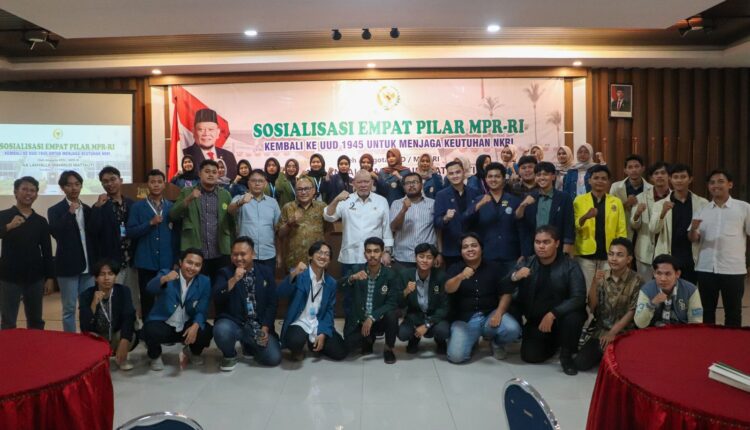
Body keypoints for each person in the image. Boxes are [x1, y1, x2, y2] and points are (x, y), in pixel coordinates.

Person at [506, 226, 587, 375]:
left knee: (574, 317)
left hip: (562, 318)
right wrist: (515, 276)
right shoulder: (528, 262)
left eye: (546, 242)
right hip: (538, 321)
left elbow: (579, 298)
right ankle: (555, 342)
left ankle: (566, 356)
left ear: (556, 243)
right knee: (530, 356)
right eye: (537, 242)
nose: (541, 246)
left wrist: (553, 313)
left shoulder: (570, 265)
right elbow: (503, 285)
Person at [445, 233, 521, 364]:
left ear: (481, 248)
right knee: (456, 357)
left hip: (489, 315)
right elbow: (448, 288)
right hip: (464, 320)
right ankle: (472, 339)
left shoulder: (494, 267)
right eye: (465, 247)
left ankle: (497, 343)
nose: (470, 249)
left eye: (474, 245)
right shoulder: (455, 268)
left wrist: (499, 313)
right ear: (461, 251)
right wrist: (460, 276)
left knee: (513, 329)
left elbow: (506, 293)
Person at [689, 169, 750, 327]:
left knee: (733, 312)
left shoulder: (744, 208)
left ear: (730, 184)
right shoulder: (702, 209)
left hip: (733, 269)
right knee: (706, 311)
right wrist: (693, 229)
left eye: (721, 181)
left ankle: (731, 341)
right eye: (712, 182)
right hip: (706, 268)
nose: (716, 185)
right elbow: (693, 239)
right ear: (708, 186)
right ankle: (708, 341)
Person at [573, 238, 642, 371]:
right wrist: (594, 282)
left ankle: (611, 352)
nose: (614, 258)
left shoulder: (637, 280)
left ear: (629, 259)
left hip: (624, 332)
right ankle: (605, 352)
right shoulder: (602, 276)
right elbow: (592, 306)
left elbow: (632, 311)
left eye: (619, 255)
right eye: (611, 254)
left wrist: (613, 333)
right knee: (580, 363)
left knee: (623, 368)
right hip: (601, 331)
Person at [213, 237, 281, 370]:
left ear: (253, 254)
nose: (238, 258)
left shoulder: (265, 272)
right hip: (234, 322)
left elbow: (272, 303)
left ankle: (248, 344)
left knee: (273, 358)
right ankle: (229, 355)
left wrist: (265, 328)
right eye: (235, 254)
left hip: (257, 324)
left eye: (243, 254)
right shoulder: (225, 273)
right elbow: (217, 296)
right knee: (222, 330)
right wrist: (234, 279)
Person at [143, 248, 213, 371]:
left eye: (197, 265)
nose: (192, 267)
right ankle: (155, 356)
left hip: (186, 325)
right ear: (181, 262)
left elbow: (202, 308)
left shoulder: (204, 281)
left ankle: (194, 352)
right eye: (189, 262)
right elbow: (149, 288)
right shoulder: (167, 273)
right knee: (149, 329)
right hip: (164, 323)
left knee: (205, 330)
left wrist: (195, 325)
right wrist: (164, 279)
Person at [277, 241, 347, 361]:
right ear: (310, 256)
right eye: (319, 252)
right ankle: (299, 347)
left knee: (340, 352)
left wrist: (323, 333)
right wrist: (293, 274)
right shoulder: (299, 274)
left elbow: (329, 311)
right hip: (300, 321)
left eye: (327, 254)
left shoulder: (331, 283)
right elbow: (280, 293)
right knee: (294, 341)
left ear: (329, 260)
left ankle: (312, 342)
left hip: (318, 322)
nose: (323, 256)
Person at [0, 177, 54, 330]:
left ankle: (35, 345)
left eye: (32, 190)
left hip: (35, 278)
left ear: (36, 195)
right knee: (8, 322)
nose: (28, 193)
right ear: (15, 192)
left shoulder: (41, 221)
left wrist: (50, 277)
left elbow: (47, 251)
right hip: (9, 277)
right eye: (24, 189)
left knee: (36, 322)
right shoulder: (3, 215)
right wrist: (9, 226)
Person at [170, 159, 234, 283]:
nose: (211, 175)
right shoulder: (187, 192)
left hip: (221, 252)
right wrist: (189, 198)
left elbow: (232, 224)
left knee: (221, 288)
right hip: (195, 252)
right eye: (207, 171)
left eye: (214, 172)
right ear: (200, 173)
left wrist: (232, 248)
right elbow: (173, 215)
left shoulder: (225, 194)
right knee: (196, 289)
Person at [339, 237, 401, 364]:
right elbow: (339, 286)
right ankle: (368, 339)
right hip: (359, 319)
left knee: (392, 314)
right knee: (350, 346)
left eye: (376, 251)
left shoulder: (390, 274)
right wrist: (352, 278)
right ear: (364, 254)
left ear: (382, 253)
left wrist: (372, 317)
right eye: (369, 251)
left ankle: (388, 348)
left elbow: (392, 303)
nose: (372, 255)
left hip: (379, 319)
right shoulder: (356, 269)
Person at [48, 170, 95, 332]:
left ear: (81, 186)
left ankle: (87, 337)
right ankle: (70, 340)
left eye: (77, 184)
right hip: (67, 267)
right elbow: (56, 233)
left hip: (88, 266)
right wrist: (69, 214)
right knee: (69, 308)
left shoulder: (87, 209)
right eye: (69, 185)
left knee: (87, 306)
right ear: (62, 188)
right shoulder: (55, 210)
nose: (74, 188)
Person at [324, 169, 393, 278]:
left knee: (373, 289)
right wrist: (336, 199)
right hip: (350, 257)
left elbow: (386, 229)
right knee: (349, 288)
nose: (363, 185)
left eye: (366, 181)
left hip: (374, 257)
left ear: (372, 183)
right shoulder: (345, 200)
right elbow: (329, 217)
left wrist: (387, 252)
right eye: (360, 182)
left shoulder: (381, 201)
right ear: (354, 183)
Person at [127, 169, 176, 319]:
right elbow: (130, 232)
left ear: (164, 184)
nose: (156, 185)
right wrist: (149, 223)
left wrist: (176, 259)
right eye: (152, 182)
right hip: (145, 261)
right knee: (147, 298)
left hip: (166, 261)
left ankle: (165, 328)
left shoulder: (171, 207)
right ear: (147, 185)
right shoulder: (137, 207)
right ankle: (148, 328)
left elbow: (176, 236)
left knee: (167, 298)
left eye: (159, 182)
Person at [90, 166, 138, 316]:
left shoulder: (131, 204)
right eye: (105, 181)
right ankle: (111, 327)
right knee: (112, 300)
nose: (109, 184)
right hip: (111, 262)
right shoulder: (100, 206)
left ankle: (132, 327)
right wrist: (97, 207)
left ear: (120, 180)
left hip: (131, 260)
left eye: (113, 179)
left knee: (132, 299)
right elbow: (93, 231)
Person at [650, 164, 708, 284]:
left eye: (683, 177)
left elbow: (705, 232)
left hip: (692, 257)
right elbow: (653, 229)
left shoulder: (702, 203)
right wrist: (663, 213)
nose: (679, 180)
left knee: (690, 291)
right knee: (666, 292)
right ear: (670, 179)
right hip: (669, 257)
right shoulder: (660, 204)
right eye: (675, 177)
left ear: (690, 179)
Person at [573, 165, 627, 291]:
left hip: (610, 254)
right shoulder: (579, 200)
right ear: (589, 180)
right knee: (585, 290)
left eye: (603, 178)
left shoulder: (616, 202)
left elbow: (621, 229)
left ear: (608, 182)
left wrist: (621, 252)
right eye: (596, 178)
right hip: (585, 254)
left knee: (609, 290)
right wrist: (585, 217)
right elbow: (575, 225)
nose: (600, 181)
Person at [463, 162, 522, 277]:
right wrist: (478, 205)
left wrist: (523, 253)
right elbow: (464, 221)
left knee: (511, 286)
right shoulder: (478, 200)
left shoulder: (514, 201)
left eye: (497, 176)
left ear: (503, 179)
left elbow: (521, 229)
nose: (493, 179)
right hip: (487, 255)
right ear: (485, 179)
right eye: (490, 176)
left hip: (511, 255)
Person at [79, 259, 137, 371]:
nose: (106, 278)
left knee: (129, 333)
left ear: (115, 276)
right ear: (96, 278)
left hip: (115, 335)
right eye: (102, 274)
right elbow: (84, 326)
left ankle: (122, 357)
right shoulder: (86, 295)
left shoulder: (123, 291)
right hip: (98, 337)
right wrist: (93, 305)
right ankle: (99, 359)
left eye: (110, 274)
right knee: (88, 339)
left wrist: (125, 340)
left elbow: (129, 317)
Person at [398, 243, 450, 354]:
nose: (425, 260)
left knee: (443, 331)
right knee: (402, 334)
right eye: (421, 256)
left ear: (434, 260)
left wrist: (427, 325)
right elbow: (399, 304)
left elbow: (444, 307)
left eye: (429, 257)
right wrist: (405, 292)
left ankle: (440, 341)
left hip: (434, 317)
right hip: (415, 316)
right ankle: (414, 339)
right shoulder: (405, 275)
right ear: (415, 258)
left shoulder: (441, 276)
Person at [515, 161, 575, 257]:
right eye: (538, 175)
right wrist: (523, 205)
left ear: (553, 177)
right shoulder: (530, 197)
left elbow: (569, 225)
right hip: (534, 249)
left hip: (557, 249)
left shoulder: (564, 197)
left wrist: (566, 251)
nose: (542, 178)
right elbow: (519, 218)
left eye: (545, 174)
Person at [228, 169, 281, 271]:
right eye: (253, 180)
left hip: (268, 254)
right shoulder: (239, 198)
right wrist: (241, 202)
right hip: (245, 255)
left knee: (268, 281)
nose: (257, 183)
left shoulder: (273, 203)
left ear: (265, 184)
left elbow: (277, 230)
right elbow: (230, 210)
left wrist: (279, 254)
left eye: (260, 181)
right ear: (248, 183)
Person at [434, 160, 482, 270]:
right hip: (452, 249)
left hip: (472, 249)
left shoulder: (475, 192)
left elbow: (480, 220)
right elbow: (437, 223)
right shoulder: (441, 195)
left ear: (464, 172)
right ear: (447, 176)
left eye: (458, 172)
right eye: (451, 173)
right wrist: (445, 218)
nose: (455, 176)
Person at [634, 254, 703, 328]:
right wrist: (652, 304)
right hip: (654, 332)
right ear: (654, 274)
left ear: (677, 274)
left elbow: (696, 324)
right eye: (659, 273)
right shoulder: (646, 290)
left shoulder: (691, 290)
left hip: (681, 331)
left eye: (668, 274)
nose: (663, 279)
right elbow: (640, 324)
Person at [630, 162, 671, 281]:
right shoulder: (641, 197)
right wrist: (637, 214)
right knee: (645, 287)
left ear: (669, 176)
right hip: (644, 251)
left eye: (663, 173)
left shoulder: (673, 197)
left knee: (665, 286)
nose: (660, 176)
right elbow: (634, 226)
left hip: (667, 251)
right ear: (651, 178)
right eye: (656, 173)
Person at [277, 176, 328, 272]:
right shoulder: (288, 207)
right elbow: (280, 234)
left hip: (318, 261)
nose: (303, 192)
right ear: (295, 191)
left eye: (306, 189)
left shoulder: (322, 207)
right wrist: (289, 223)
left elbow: (327, 230)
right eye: (299, 189)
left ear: (313, 190)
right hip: (294, 261)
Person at [389, 172, 437, 270]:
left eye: (414, 182)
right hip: (403, 257)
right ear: (403, 187)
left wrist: (439, 253)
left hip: (427, 258)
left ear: (421, 184)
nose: (411, 185)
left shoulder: (433, 204)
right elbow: (393, 228)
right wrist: (403, 210)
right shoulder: (396, 204)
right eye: (407, 183)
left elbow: (438, 230)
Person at [182, 108, 238, 179]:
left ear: (218, 133)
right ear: (194, 132)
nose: (206, 133)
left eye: (211, 129)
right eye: (201, 129)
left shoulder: (229, 156)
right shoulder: (185, 154)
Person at [609, 155, 652, 241]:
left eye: (637, 166)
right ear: (625, 170)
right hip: (623, 230)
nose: (634, 170)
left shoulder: (651, 189)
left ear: (643, 168)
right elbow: (610, 211)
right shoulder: (616, 187)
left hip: (644, 232)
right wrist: (626, 204)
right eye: (630, 167)